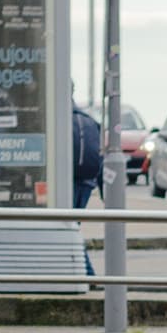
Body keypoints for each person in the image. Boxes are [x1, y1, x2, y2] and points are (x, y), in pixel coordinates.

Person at [72, 96, 103, 271]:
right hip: (87, 182)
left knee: (68, 227)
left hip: (69, 182)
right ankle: (86, 273)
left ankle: (88, 273)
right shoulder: (89, 120)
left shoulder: (59, 117)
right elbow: (101, 156)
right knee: (72, 225)